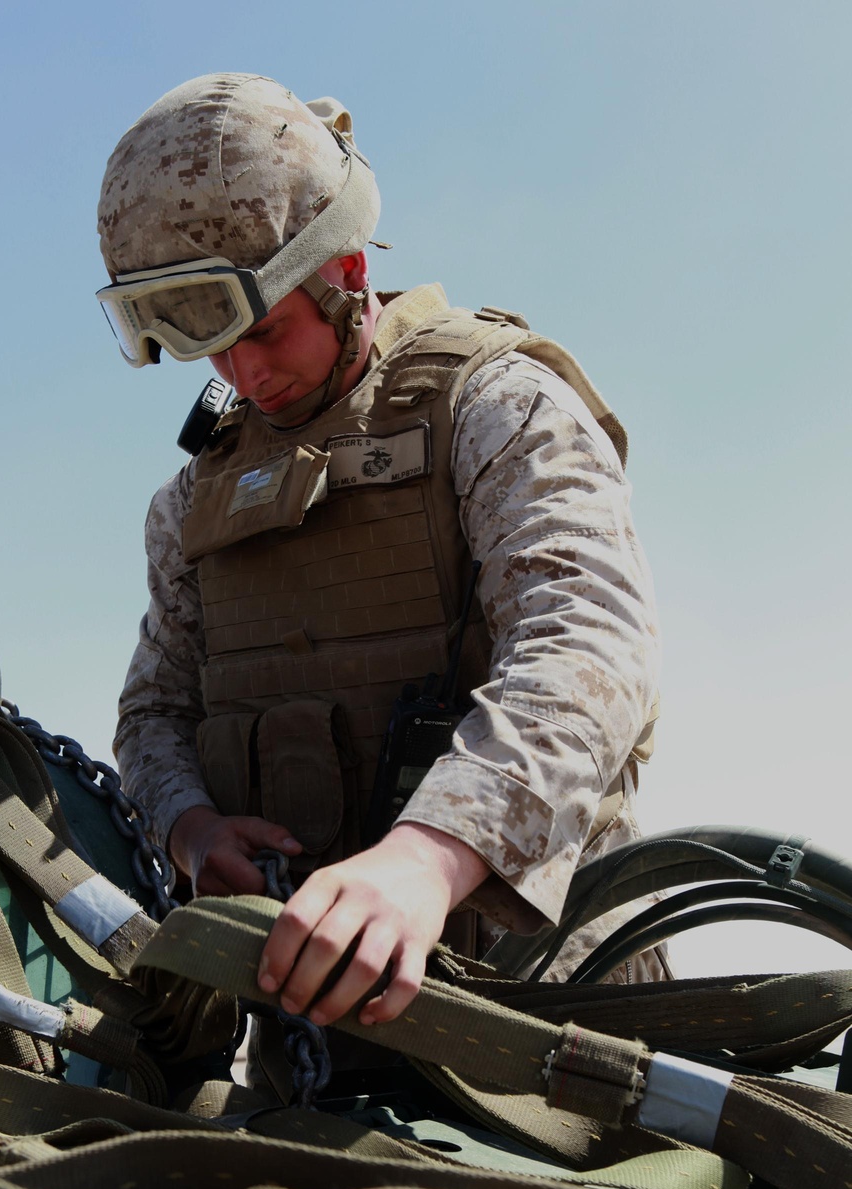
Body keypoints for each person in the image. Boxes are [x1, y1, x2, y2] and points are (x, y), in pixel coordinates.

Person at [99, 73, 664, 1056]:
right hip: (315, 1036)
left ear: (347, 272)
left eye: (265, 332)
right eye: (212, 353)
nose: (243, 378)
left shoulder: (492, 403)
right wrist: (190, 827)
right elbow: (155, 712)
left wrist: (427, 858)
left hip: (553, 1017)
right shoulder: (192, 500)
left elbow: (589, 645)